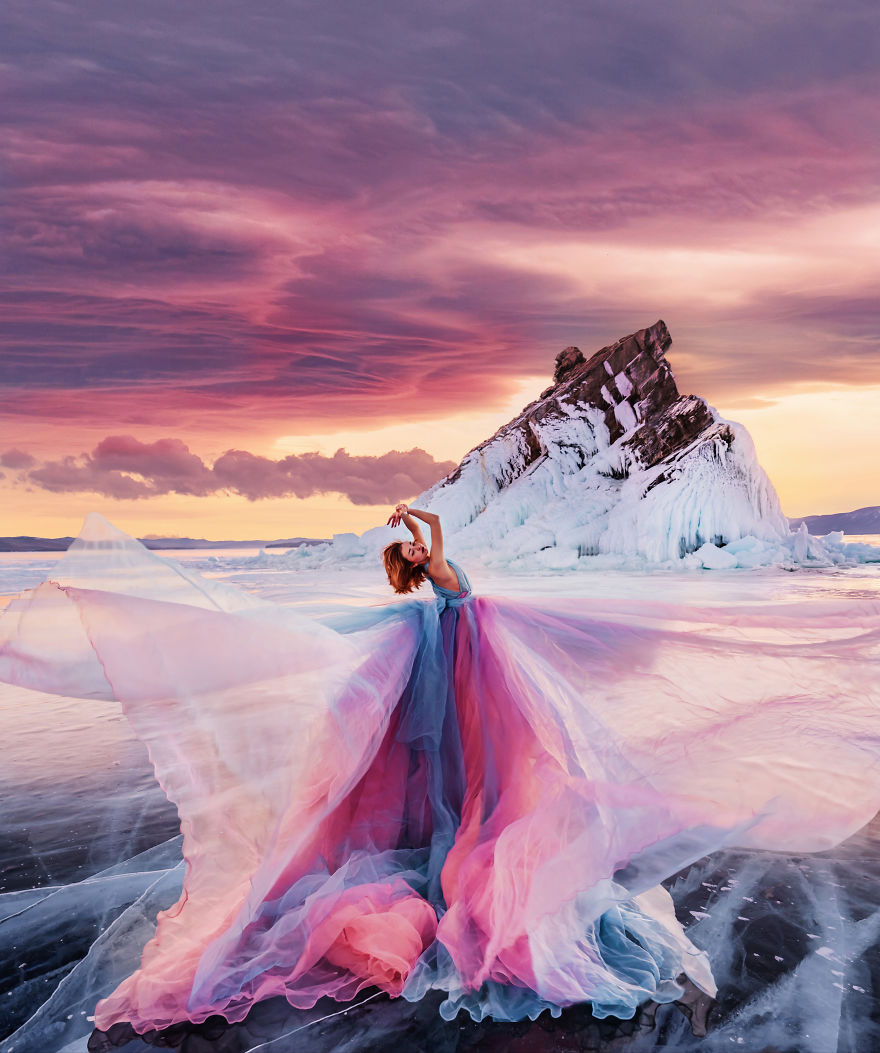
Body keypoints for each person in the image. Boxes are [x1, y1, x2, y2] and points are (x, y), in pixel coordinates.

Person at [1, 510, 878, 1045]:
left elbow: (439, 590)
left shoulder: (428, 612)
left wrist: (423, 538)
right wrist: (428, 538)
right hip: (453, 725)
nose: (421, 565)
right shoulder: (440, 607)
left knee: (439, 832)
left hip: (449, 724)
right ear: (415, 572)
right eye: (416, 561)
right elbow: (445, 585)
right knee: (451, 836)